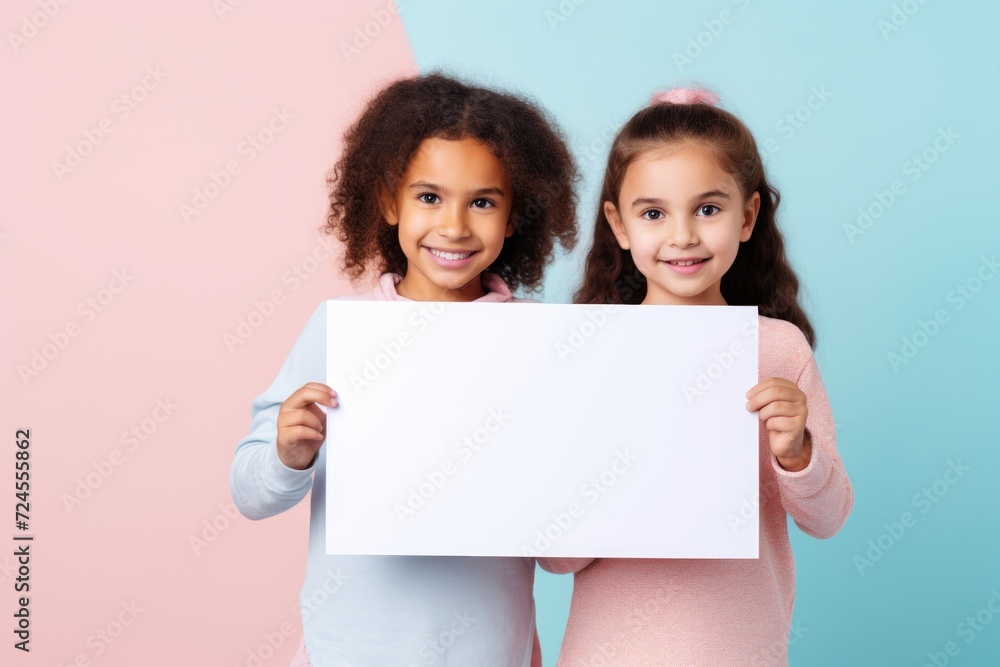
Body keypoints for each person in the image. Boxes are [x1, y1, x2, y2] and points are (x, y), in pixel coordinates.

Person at [230, 72, 578, 666]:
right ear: (389, 200)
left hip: (488, 651)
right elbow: (251, 493)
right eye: (429, 196)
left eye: (484, 202)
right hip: (349, 650)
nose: (455, 226)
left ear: (515, 216)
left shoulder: (540, 342)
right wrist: (290, 454)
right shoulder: (337, 328)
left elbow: (560, 534)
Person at [539, 87, 854, 665]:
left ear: (748, 216)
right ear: (619, 224)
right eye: (654, 213)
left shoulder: (778, 350)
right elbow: (556, 558)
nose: (682, 235)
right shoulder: (587, 354)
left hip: (740, 651)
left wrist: (797, 451)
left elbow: (829, 519)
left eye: (707, 209)